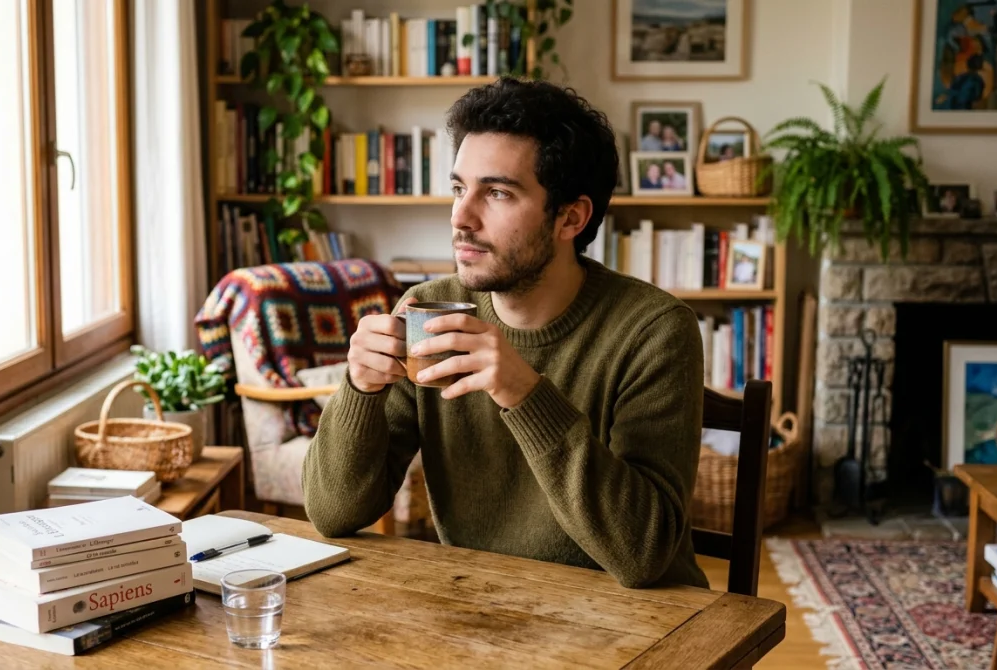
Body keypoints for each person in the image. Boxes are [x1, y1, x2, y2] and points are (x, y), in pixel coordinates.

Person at [301, 77, 709, 590]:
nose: (460, 217)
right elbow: (333, 514)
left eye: (496, 192)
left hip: (641, 623)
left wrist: (524, 392)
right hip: (488, 611)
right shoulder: (427, 312)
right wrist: (359, 389)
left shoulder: (654, 331)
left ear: (570, 218)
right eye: (458, 188)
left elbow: (643, 554)